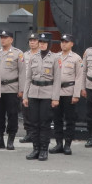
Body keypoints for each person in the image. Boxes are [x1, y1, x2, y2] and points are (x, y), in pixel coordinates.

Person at [22, 33, 59, 161]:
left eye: (44, 42)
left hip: (47, 93)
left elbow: (57, 80)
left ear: (49, 44)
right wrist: (25, 96)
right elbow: (28, 78)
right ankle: (35, 148)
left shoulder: (54, 58)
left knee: (44, 123)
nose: (42, 44)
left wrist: (55, 98)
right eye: (40, 42)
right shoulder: (33, 57)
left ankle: (44, 149)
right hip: (33, 92)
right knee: (33, 122)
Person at [0, 31, 23, 150]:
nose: (2, 40)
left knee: (12, 115)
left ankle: (11, 139)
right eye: (1, 38)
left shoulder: (17, 53)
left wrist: (21, 89)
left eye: (5, 38)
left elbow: (22, 72)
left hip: (12, 88)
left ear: (11, 39)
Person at [51, 34, 84, 155]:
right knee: (57, 119)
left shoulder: (76, 58)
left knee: (70, 119)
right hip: (56, 92)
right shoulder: (55, 57)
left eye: (66, 42)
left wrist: (76, 94)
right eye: (62, 42)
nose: (64, 44)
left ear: (72, 44)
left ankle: (67, 144)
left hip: (69, 91)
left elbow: (79, 77)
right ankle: (58, 143)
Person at [18, 33, 41, 144]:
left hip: (37, 86)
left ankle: (36, 133)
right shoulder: (24, 55)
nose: (32, 42)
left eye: (34, 40)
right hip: (25, 86)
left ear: (38, 42)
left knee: (36, 112)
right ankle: (28, 133)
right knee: (25, 111)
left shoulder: (42, 54)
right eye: (30, 40)